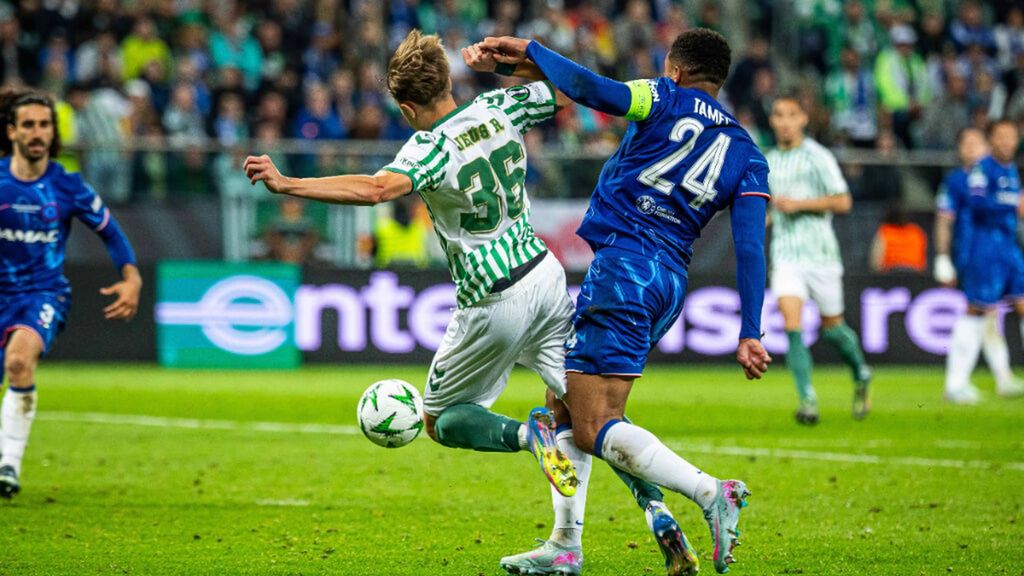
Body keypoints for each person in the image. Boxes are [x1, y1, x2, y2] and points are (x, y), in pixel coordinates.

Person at [245, 30, 678, 576]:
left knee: (441, 419)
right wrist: (507, 68)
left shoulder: (427, 146)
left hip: (492, 295)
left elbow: (376, 190)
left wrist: (290, 184)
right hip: (544, 275)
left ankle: (530, 435)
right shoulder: (499, 105)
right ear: (448, 81)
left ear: (405, 108)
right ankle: (654, 510)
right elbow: (569, 90)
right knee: (594, 412)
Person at [478, 28, 773, 575]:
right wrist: (750, 329)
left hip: (624, 267)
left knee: (593, 424)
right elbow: (751, 247)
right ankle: (566, 545)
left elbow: (595, 90)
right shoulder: (749, 154)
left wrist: (534, 49)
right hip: (667, 281)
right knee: (562, 400)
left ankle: (713, 493)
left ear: (675, 68)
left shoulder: (662, 96)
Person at [0, 89, 141, 498]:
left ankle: (8, 466)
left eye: (45, 124)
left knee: (19, 362)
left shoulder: (67, 186)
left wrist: (131, 277)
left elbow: (111, 233)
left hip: (42, 294)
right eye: (28, 124)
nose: (37, 132)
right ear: (12, 131)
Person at [764, 94, 872, 426]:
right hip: (785, 255)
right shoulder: (767, 160)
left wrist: (800, 205)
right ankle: (807, 399)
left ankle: (861, 371)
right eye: (779, 114)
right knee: (792, 327)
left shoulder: (818, 157)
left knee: (833, 329)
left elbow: (843, 201)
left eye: (791, 114)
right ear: (772, 120)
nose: (785, 121)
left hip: (821, 256)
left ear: (803, 119)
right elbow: (771, 209)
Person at [934, 127, 1023, 400]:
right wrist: (943, 256)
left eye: (976, 142)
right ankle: (956, 383)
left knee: (1008, 308)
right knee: (980, 310)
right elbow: (948, 217)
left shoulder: (1008, 170)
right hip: (979, 249)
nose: (972, 148)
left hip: (1007, 248)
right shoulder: (964, 178)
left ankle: (1004, 378)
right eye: (966, 143)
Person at [869, 204, 927, 273]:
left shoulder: (884, 231)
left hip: (890, 276)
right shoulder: (917, 232)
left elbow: (875, 262)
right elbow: (922, 260)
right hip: (914, 275)